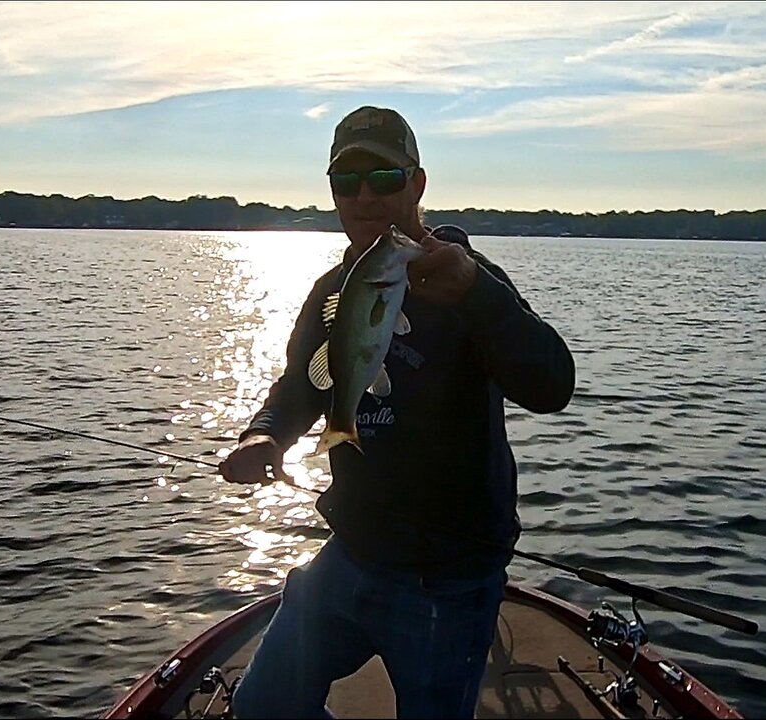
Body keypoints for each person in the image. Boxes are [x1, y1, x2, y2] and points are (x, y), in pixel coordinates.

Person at [220, 105, 576, 719]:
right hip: (351, 551)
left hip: (449, 579)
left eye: (384, 178)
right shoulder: (334, 289)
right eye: (346, 181)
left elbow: (552, 386)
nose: (364, 196)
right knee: (263, 706)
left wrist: (475, 294)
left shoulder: (470, 279)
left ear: (417, 184)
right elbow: (304, 385)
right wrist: (266, 435)